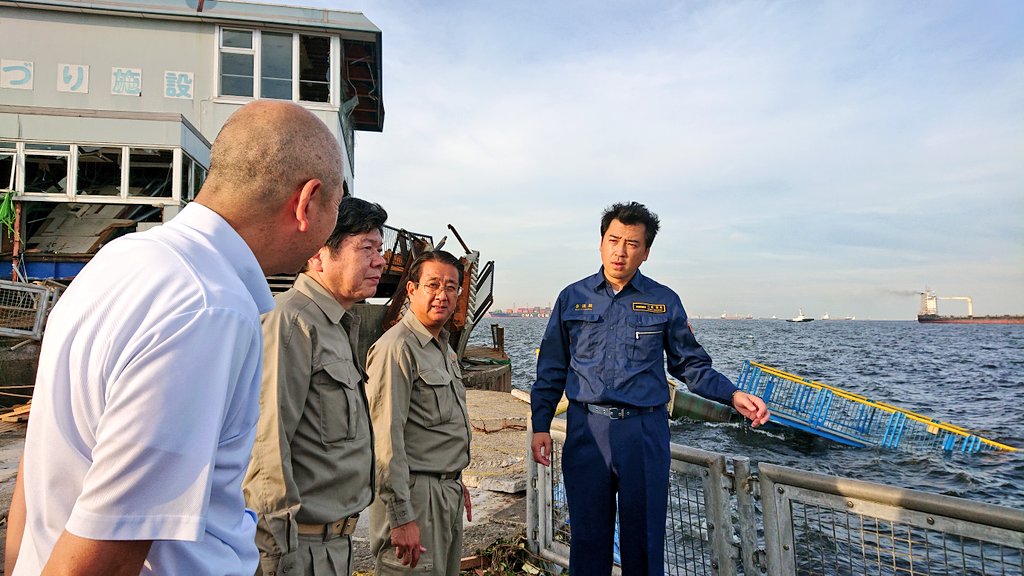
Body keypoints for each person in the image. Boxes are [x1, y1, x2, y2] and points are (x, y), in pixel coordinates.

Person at [5, 100, 344, 576]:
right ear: (307, 203)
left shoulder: (119, 259)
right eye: (337, 203)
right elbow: (109, 545)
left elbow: (39, 463)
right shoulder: (209, 308)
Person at [530, 201, 770, 576]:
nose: (620, 251)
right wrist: (541, 424)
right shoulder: (571, 298)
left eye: (631, 243)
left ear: (646, 252)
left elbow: (690, 364)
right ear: (600, 243)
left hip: (642, 433)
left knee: (643, 544)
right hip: (586, 432)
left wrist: (733, 394)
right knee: (588, 544)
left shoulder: (663, 300)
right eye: (613, 240)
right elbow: (551, 369)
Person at [244, 196, 388, 576]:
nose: (379, 260)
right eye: (366, 248)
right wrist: (274, 555)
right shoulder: (291, 323)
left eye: (380, 249)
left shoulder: (337, 324)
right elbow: (265, 447)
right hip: (297, 549)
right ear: (319, 254)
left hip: (332, 546)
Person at [365, 250, 473, 576]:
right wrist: (401, 517)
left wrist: (455, 476)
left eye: (451, 287)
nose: (442, 295)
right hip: (415, 498)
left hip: (445, 493)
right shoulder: (396, 348)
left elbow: (436, 428)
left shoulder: (443, 348)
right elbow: (384, 441)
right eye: (433, 285)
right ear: (411, 290)